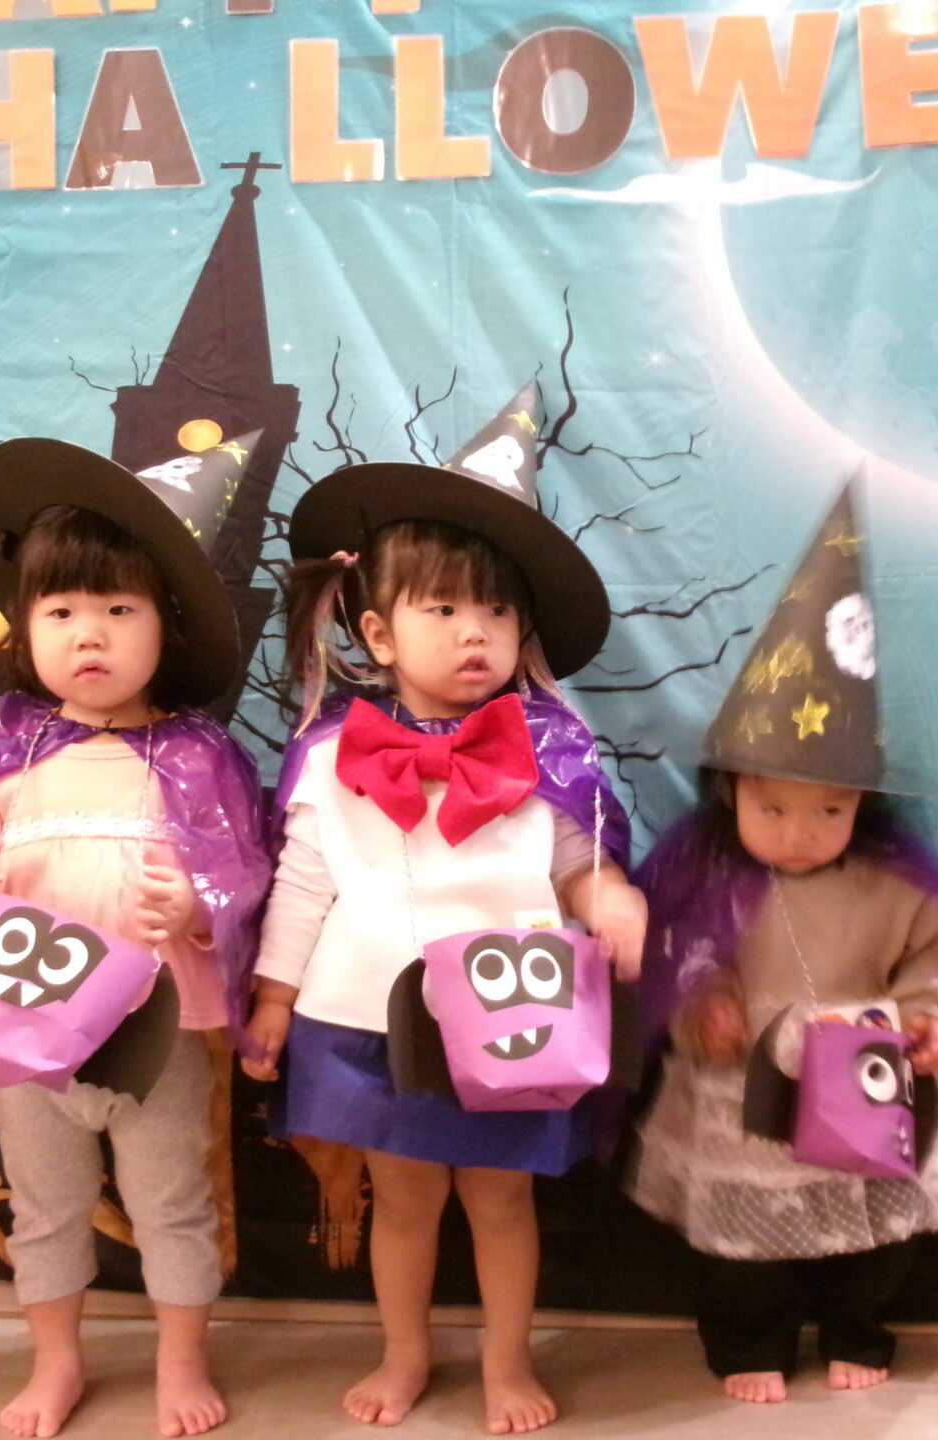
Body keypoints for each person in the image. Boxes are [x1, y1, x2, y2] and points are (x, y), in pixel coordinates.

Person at [243, 386, 647, 1435]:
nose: (476, 632)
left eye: (497, 612)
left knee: (501, 1197)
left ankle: (507, 1360)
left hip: (510, 1013)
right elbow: (302, 882)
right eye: (444, 610)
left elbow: (576, 860)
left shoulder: (547, 749)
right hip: (365, 1014)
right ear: (378, 632)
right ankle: (405, 1350)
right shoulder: (330, 756)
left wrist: (608, 895)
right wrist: (274, 998)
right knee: (406, 1197)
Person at [0, 437, 270, 1440]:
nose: (91, 635)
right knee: (45, 1205)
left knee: (172, 1202)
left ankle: (180, 1361)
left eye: (120, 610)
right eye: (62, 612)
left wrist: (195, 908)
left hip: (158, 1032)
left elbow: (245, 874)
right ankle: (57, 1362)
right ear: (25, 628)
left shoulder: (199, 756)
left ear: (167, 625)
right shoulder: (9, 753)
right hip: (27, 1029)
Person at [626, 482, 938, 1406]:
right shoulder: (706, 876)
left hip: (865, 1077)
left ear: (863, 803)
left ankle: (857, 1328)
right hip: (744, 1090)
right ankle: (749, 1342)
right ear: (730, 791)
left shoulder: (892, 883)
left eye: (829, 811)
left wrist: (928, 1018)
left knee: (878, 1234)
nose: (799, 833)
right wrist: (703, 1006)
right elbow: (675, 954)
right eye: (774, 808)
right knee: (742, 1246)